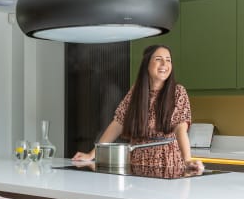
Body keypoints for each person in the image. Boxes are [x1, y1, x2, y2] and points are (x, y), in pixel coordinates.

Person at [72, 44, 204, 173]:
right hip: (137, 163)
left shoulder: (178, 92)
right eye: (158, 59)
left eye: (168, 60)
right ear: (147, 64)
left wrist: (187, 159)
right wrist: (91, 154)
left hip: (168, 162)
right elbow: (118, 123)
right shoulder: (136, 92)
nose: (164, 64)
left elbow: (180, 128)